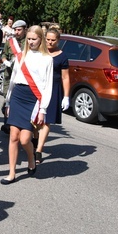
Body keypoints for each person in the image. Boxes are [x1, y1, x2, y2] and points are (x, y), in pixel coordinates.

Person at [2, 25, 53, 184]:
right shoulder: (21, 56)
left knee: (25, 139)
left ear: (41, 39)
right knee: (13, 136)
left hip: (33, 99)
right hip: (18, 95)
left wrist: (43, 108)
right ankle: (12, 173)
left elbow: (48, 85)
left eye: (34, 39)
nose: (30, 42)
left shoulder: (47, 59)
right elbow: (13, 80)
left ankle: (31, 158)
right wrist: (8, 102)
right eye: (29, 39)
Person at [36, 27, 70, 163]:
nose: (49, 42)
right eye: (47, 39)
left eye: (53, 40)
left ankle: (39, 150)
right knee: (34, 119)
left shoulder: (62, 56)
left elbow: (65, 77)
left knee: (46, 120)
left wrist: (66, 96)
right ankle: (34, 140)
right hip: (37, 88)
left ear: (58, 40)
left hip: (53, 89)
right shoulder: (39, 52)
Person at [0, 19, 27, 132]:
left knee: (18, 100)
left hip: (23, 75)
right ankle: (7, 124)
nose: (16, 32)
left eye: (19, 30)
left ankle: (15, 124)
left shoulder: (29, 42)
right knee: (8, 98)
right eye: (15, 29)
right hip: (9, 75)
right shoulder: (10, 41)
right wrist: (5, 61)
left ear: (25, 29)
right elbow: (4, 55)